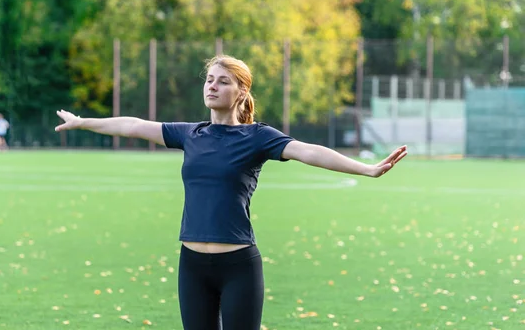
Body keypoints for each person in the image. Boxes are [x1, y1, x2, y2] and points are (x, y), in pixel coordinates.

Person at [54, 55, 407, 330]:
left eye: (223, 82)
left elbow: (308, 151)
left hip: (238, 266)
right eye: (209, 80)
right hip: (191, 265)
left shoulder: (257, 137)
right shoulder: (190, 134)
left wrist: (367, 168)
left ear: (241, 91)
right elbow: (132, 125)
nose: (212, 86)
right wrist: (82, 121)